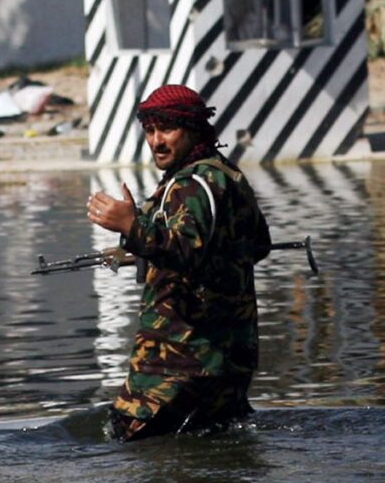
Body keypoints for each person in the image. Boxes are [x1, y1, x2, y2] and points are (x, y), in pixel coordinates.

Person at [85, 83, 273, 440]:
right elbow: (258, 245)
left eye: (167, 129)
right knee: (217, 452)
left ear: (193, 129)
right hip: (230, 359)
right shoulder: (227, 175)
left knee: (131, 442)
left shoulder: (191, 186)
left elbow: (186, 249)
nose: (156, 141)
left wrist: (131, 226)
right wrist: (144, 244)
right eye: (150, 130)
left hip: (176, 363)